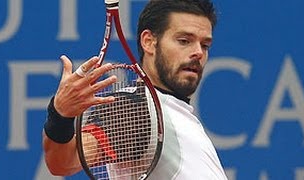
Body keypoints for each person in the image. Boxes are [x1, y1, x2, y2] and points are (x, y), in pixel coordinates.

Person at [43, 0, 228, 179]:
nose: (198, 52)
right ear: (149, 42)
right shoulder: (135, 108)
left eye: (205, 45)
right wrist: (59, 115)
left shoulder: (179, 114)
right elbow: (63, 162)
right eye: (184, 40)